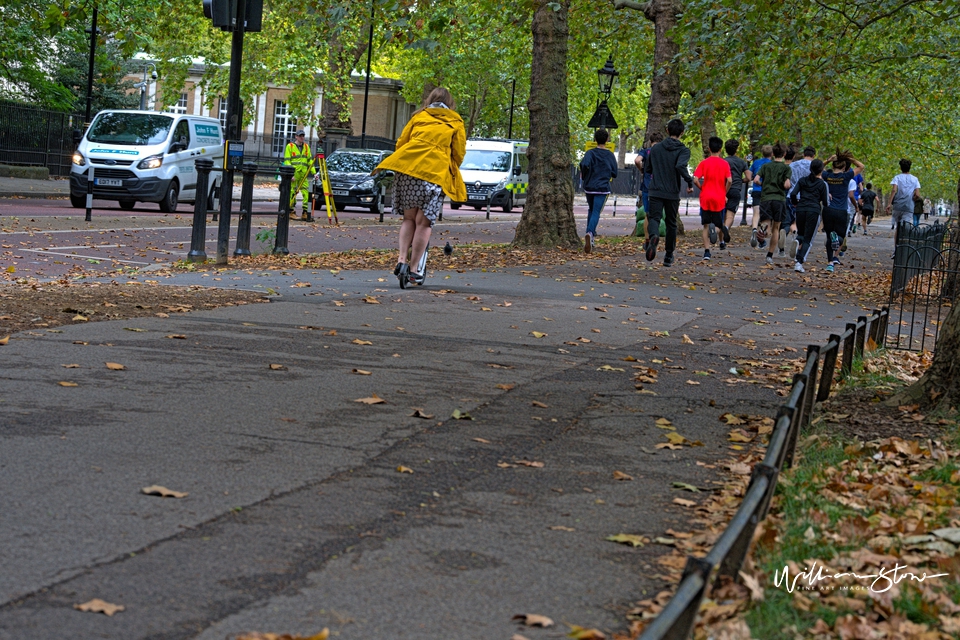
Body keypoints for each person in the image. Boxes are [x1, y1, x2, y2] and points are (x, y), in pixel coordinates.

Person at [375, 87, 467, 287]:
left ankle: (401, 260)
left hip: (408, 170)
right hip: (433, 174)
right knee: (423, 223)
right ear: (450, 104)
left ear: (430, 100)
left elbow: (401, 143)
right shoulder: (455, 121)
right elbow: (458, 153)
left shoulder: (419, 116)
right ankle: (414, 269)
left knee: (409, 219)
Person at [644, 118, 694, 266]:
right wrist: (689, 181)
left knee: (654, 218)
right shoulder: (683, 150)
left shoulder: (655, 149)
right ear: (682, 133)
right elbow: (680, 166)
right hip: (672, 192)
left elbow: (648, 169)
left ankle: (653, 236)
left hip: (655, 189)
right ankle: (668, 255)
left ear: (667, 130)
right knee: (671, 223)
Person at [821, 152, 863, 270]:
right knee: (841, 236)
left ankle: (830, 263)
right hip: (842, 210)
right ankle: (837, 240)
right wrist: (851, 159)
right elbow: (861, 167)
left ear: (833, 166)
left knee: (829, 236)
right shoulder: (846, 176)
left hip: (828, 210)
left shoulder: (827, 176)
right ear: (844, 167)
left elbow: (816, 169)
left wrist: (828, 160)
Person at [580, 128, 618, 253]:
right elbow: (615, 173)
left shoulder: (590, 153)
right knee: (596, 211)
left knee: (591, 209)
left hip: (590, 186)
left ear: (595, 139)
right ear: (607, 140)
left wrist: (586, 176)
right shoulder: (610, 155)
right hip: (602, 187)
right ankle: (590, 233)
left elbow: (584, 165)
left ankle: (589, 235)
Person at [753, 143, 792, 265]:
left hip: (766, 198)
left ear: (773, 154)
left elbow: (755, 179)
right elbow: (786, 185)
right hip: (779, 199)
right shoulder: (786, 168)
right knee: (776, 227)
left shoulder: (765, 166)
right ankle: (770, 255)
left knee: (766, 222)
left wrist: (763, 185)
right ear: (784, 154)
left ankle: (763, 230)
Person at [693, 136, 732, 260]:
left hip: (706, 196)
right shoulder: (725, 164)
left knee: (705, 225)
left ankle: (707, 252)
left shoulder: (704, 163)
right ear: (721, 150)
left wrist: (701, 188)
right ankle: (715, 229)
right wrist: (724, 192)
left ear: (709, 149)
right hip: (719, 197)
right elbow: (730, 180)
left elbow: (695, 179)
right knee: (719, 222)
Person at [789, 158, 828, 273]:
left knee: (801, 234)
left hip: (801, 209)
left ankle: (797, 242)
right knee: (808, 239)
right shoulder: (822, 184)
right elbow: (825, 202)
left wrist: (796, 203)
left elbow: (793, 193)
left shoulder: (802, 180)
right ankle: (799, 262)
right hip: (814, 211)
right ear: (821, 171)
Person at [634, 132, 663, 238]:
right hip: (659, 186)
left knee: (648, 214)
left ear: (650, 141)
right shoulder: (662, 152)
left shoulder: (646, 152)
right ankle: (655, 234)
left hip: (647, 186)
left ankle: (647, 239)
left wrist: (642, 169)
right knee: (657, 215)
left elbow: (637, 160)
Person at [283, 130, 317, 220]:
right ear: (296, 137)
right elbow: (287, 160)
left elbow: (310, 160)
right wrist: (290, 174)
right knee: (292, 192)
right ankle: (291, 211)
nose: (302, 137)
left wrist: (314, 173)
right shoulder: (290, 146)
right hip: (294, 173)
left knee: (306, 192)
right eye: (300, 136)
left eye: (303, 136)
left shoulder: (306, 147)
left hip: (303, 174)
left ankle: (305, 212)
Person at [886, 158, 921, 246]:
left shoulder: (897, 177)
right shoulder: (915, 179)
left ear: (901, 168)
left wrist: (889, 203)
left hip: (898, 205)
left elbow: (894, 190)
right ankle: (903, 247)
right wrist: (912, 199)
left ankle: (896, 248)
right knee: (905, 227)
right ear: (910, 167)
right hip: (909, 206)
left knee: (898, 227)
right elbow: (917, 194)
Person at [723, 139, 750, 240]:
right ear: (736, 150)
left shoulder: (723, 161)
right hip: (735, 189)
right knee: (730, 214)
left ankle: (719, 233)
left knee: (722, 213)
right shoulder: (741, 162)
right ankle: (726, 227)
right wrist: (741, 180)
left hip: (723, 189)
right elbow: (749, 177)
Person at [749, 144, 772, 248]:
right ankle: (761, 234)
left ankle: (754, 229)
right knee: (766, 217)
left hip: (756, 191)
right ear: (772, 154)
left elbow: (749, 176)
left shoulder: (756, 163)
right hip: (767, 193)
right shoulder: (772, 164)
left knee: (756, 213)